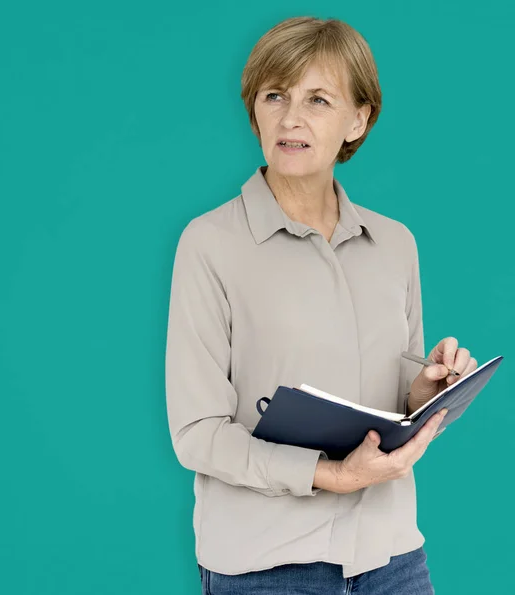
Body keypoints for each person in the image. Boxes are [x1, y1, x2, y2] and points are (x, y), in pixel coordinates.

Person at [165, 15, 477, 594]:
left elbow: (393, 404)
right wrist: (328, 476)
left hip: (394, 559)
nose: (290, 118)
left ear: (357, 120)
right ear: (254, 109)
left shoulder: (395, 244)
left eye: (318, 99)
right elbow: (198, 433)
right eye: (275, 95)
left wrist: (427, 391)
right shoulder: (209, 244)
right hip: (268, 568)